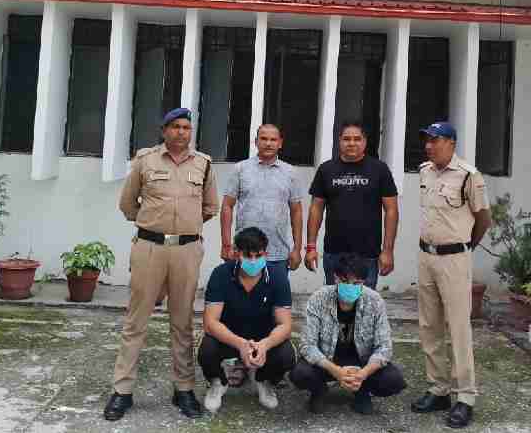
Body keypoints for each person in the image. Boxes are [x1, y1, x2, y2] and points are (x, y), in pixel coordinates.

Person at [103, 108, 218, 421]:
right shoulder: (145, 161)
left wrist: (184, 229)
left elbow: (210, 207)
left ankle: (184, 389)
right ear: (164, 130)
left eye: (186, 127)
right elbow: (128, 204)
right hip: (149, 248)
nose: (181, 132)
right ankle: (122, 391)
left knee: (182, 322)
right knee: (136, 321)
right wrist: (154, 225)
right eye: (175, 126)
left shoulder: (203, 164)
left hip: (186, 250)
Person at [410, 122, 492, 430]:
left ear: (451, 143)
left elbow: (483, 219)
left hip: (455, 258)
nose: (429, 146)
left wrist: (465, 247)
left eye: (435, 140)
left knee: (458, 327)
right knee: (429, 325)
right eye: (426, 140)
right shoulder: (425, 172)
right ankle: (438, 389)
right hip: (426, 256)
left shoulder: (469, 175)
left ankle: (465, 396)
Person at [290, 252, 406, 415]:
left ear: (363, 282)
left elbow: (384, 348)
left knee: (393, 380)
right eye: (345, 281)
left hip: (361, 363)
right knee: (300, 373)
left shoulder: (374, 301)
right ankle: (319, 390)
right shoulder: (319, 298)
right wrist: (336, 371)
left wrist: (363, 374)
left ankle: (362, 391)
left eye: (356, 283)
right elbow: (307, 345)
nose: (350, 287)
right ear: (336, 278)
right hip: (328, 361)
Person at [198, 227, 296, 413]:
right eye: (247, 256)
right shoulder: (220, 274)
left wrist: (265, 345)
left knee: (286, 355)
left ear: (265, 254)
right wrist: (241, 344)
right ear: (237, 253)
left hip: (262, 339)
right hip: (229, 337)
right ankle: (218, 382)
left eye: (258, 256)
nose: (253, 261)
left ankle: (263, 380)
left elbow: (285, 324)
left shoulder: (278, 277)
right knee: (206, 350)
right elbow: (210, 323)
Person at [304, 121, 399, 289]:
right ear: (339, 141)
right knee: (334, 300)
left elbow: (391, 210)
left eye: (357, 139)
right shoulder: (326, 169)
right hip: (334, 252)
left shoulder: (379, 169)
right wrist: (311, 247)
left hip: (368, 254)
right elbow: (316, 208)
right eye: (347, 139)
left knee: (365, 302)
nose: (352, 143)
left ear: (365, 141)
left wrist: (388, 250)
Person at [220, 123, 305, 274]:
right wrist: (226, 245)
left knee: (276, 290)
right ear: (256, 141)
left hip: (278, 254)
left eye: (273, 139)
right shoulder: (240, 169)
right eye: (264, 139)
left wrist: (297, 249)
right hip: (244, 252)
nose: (268, 143)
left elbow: (296, 211)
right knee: (241, 290)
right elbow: (227, 206)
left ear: (280, 143)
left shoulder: (290, 172)